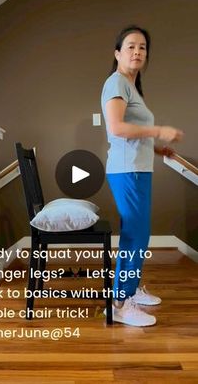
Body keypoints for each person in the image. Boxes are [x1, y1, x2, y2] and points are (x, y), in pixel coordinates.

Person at [101, 25, 184, 327]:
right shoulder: (116, 83)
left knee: (138, 235)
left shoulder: (131, 87)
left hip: (137, 168)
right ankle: (121, 303)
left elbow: (132, 132)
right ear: (118, 53)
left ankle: (130, 291)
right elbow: (117, 128)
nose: (137, 52)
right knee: (135, 237)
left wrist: (158, 148)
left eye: (143, 47)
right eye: (131, 46)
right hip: (127, 171)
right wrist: (158, 130)